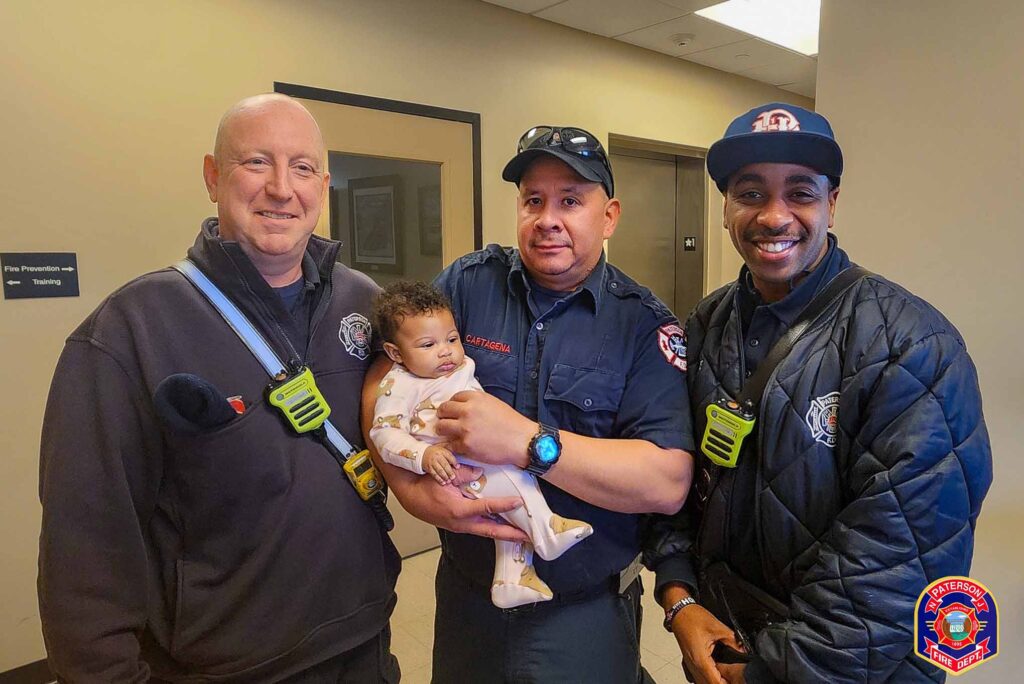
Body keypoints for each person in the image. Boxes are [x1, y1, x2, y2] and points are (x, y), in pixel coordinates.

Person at [38, 94, 404, 682]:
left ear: (323, 184)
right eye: (256, 162)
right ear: (213, 177)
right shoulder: (130, 330)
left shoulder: (365, 304)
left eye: (303, 168)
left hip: (363, 643)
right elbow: (86, 546)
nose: (282, 188)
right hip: (224, 665)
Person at [659, 102, 993, 683]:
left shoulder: (910, 346)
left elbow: (899, 555)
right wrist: (679, 598)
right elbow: (677, 476)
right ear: (726, 208)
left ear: (832, 203)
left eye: (801, 192)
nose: (774, 215)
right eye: (751, 192)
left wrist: (769, 671)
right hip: (726, 643)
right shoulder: (704, 326)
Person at [361, 125, 696, 683]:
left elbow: (666, 483)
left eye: (571, 201)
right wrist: (414, 492)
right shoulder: (470, 284)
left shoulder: (644, 323)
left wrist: (525, 442)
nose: (547, 219)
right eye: (533, 200)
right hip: (468, 597)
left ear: (609, 216)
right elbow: (385, 373)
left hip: (582, 608)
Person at [369, 280, 593, 609]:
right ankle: (546, 530)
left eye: (452, 339)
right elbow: (383, 434)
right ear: (395, 353)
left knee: (508, 514)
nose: (445, 351)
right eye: (427, 345)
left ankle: (512, 579)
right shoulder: (401, 384)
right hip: (459, 465)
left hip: (487, 449)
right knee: (514, 488)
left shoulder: (459, 367)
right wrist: (424, 454)